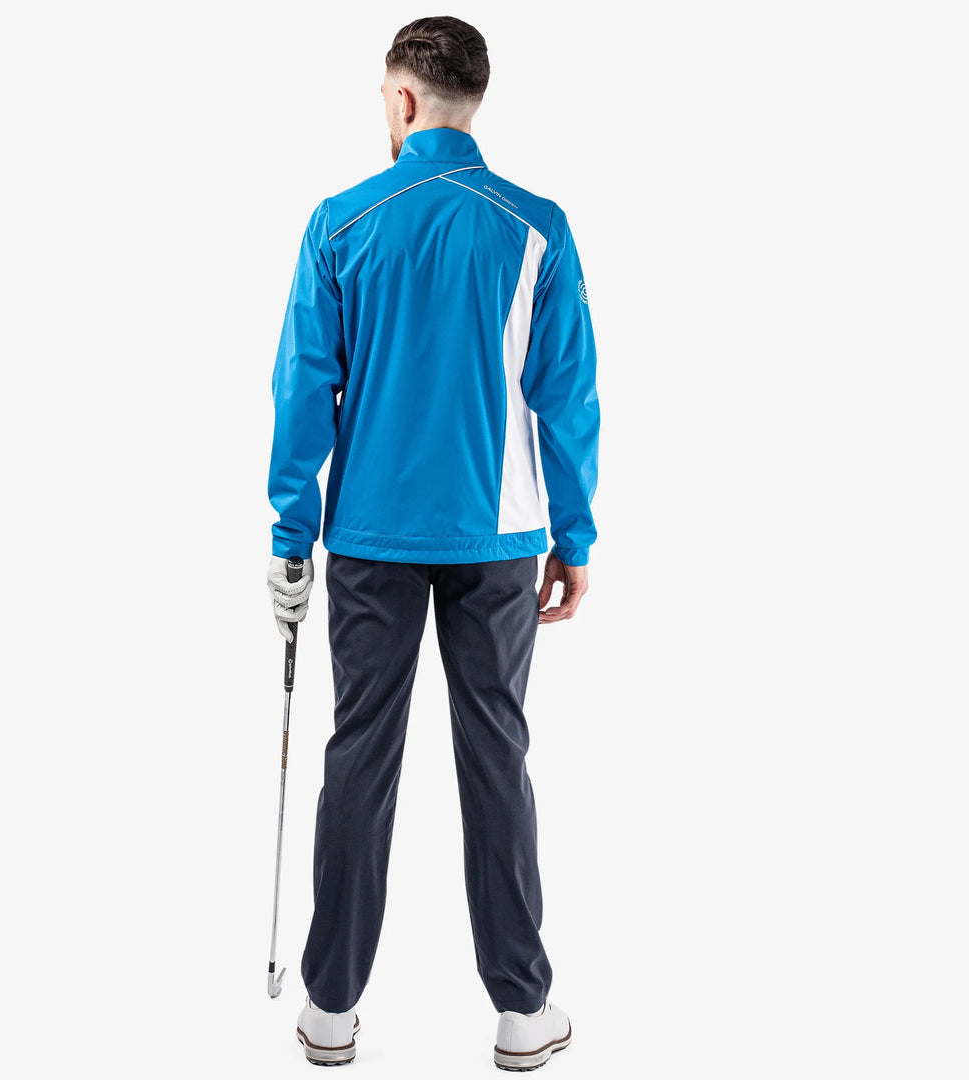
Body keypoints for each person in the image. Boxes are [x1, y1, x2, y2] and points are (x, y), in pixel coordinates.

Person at [266, 16, 599, 1071]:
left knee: (359, 755)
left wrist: (290, 533)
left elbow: (301, 389)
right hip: (498, 538)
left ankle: (328, 1009)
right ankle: (522, 1013)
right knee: (496, 756)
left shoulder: (342, 222)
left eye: (382, 97)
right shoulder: (537, 227)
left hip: (369, 536)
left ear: (404, 100)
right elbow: (568, 398)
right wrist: (576, 535)